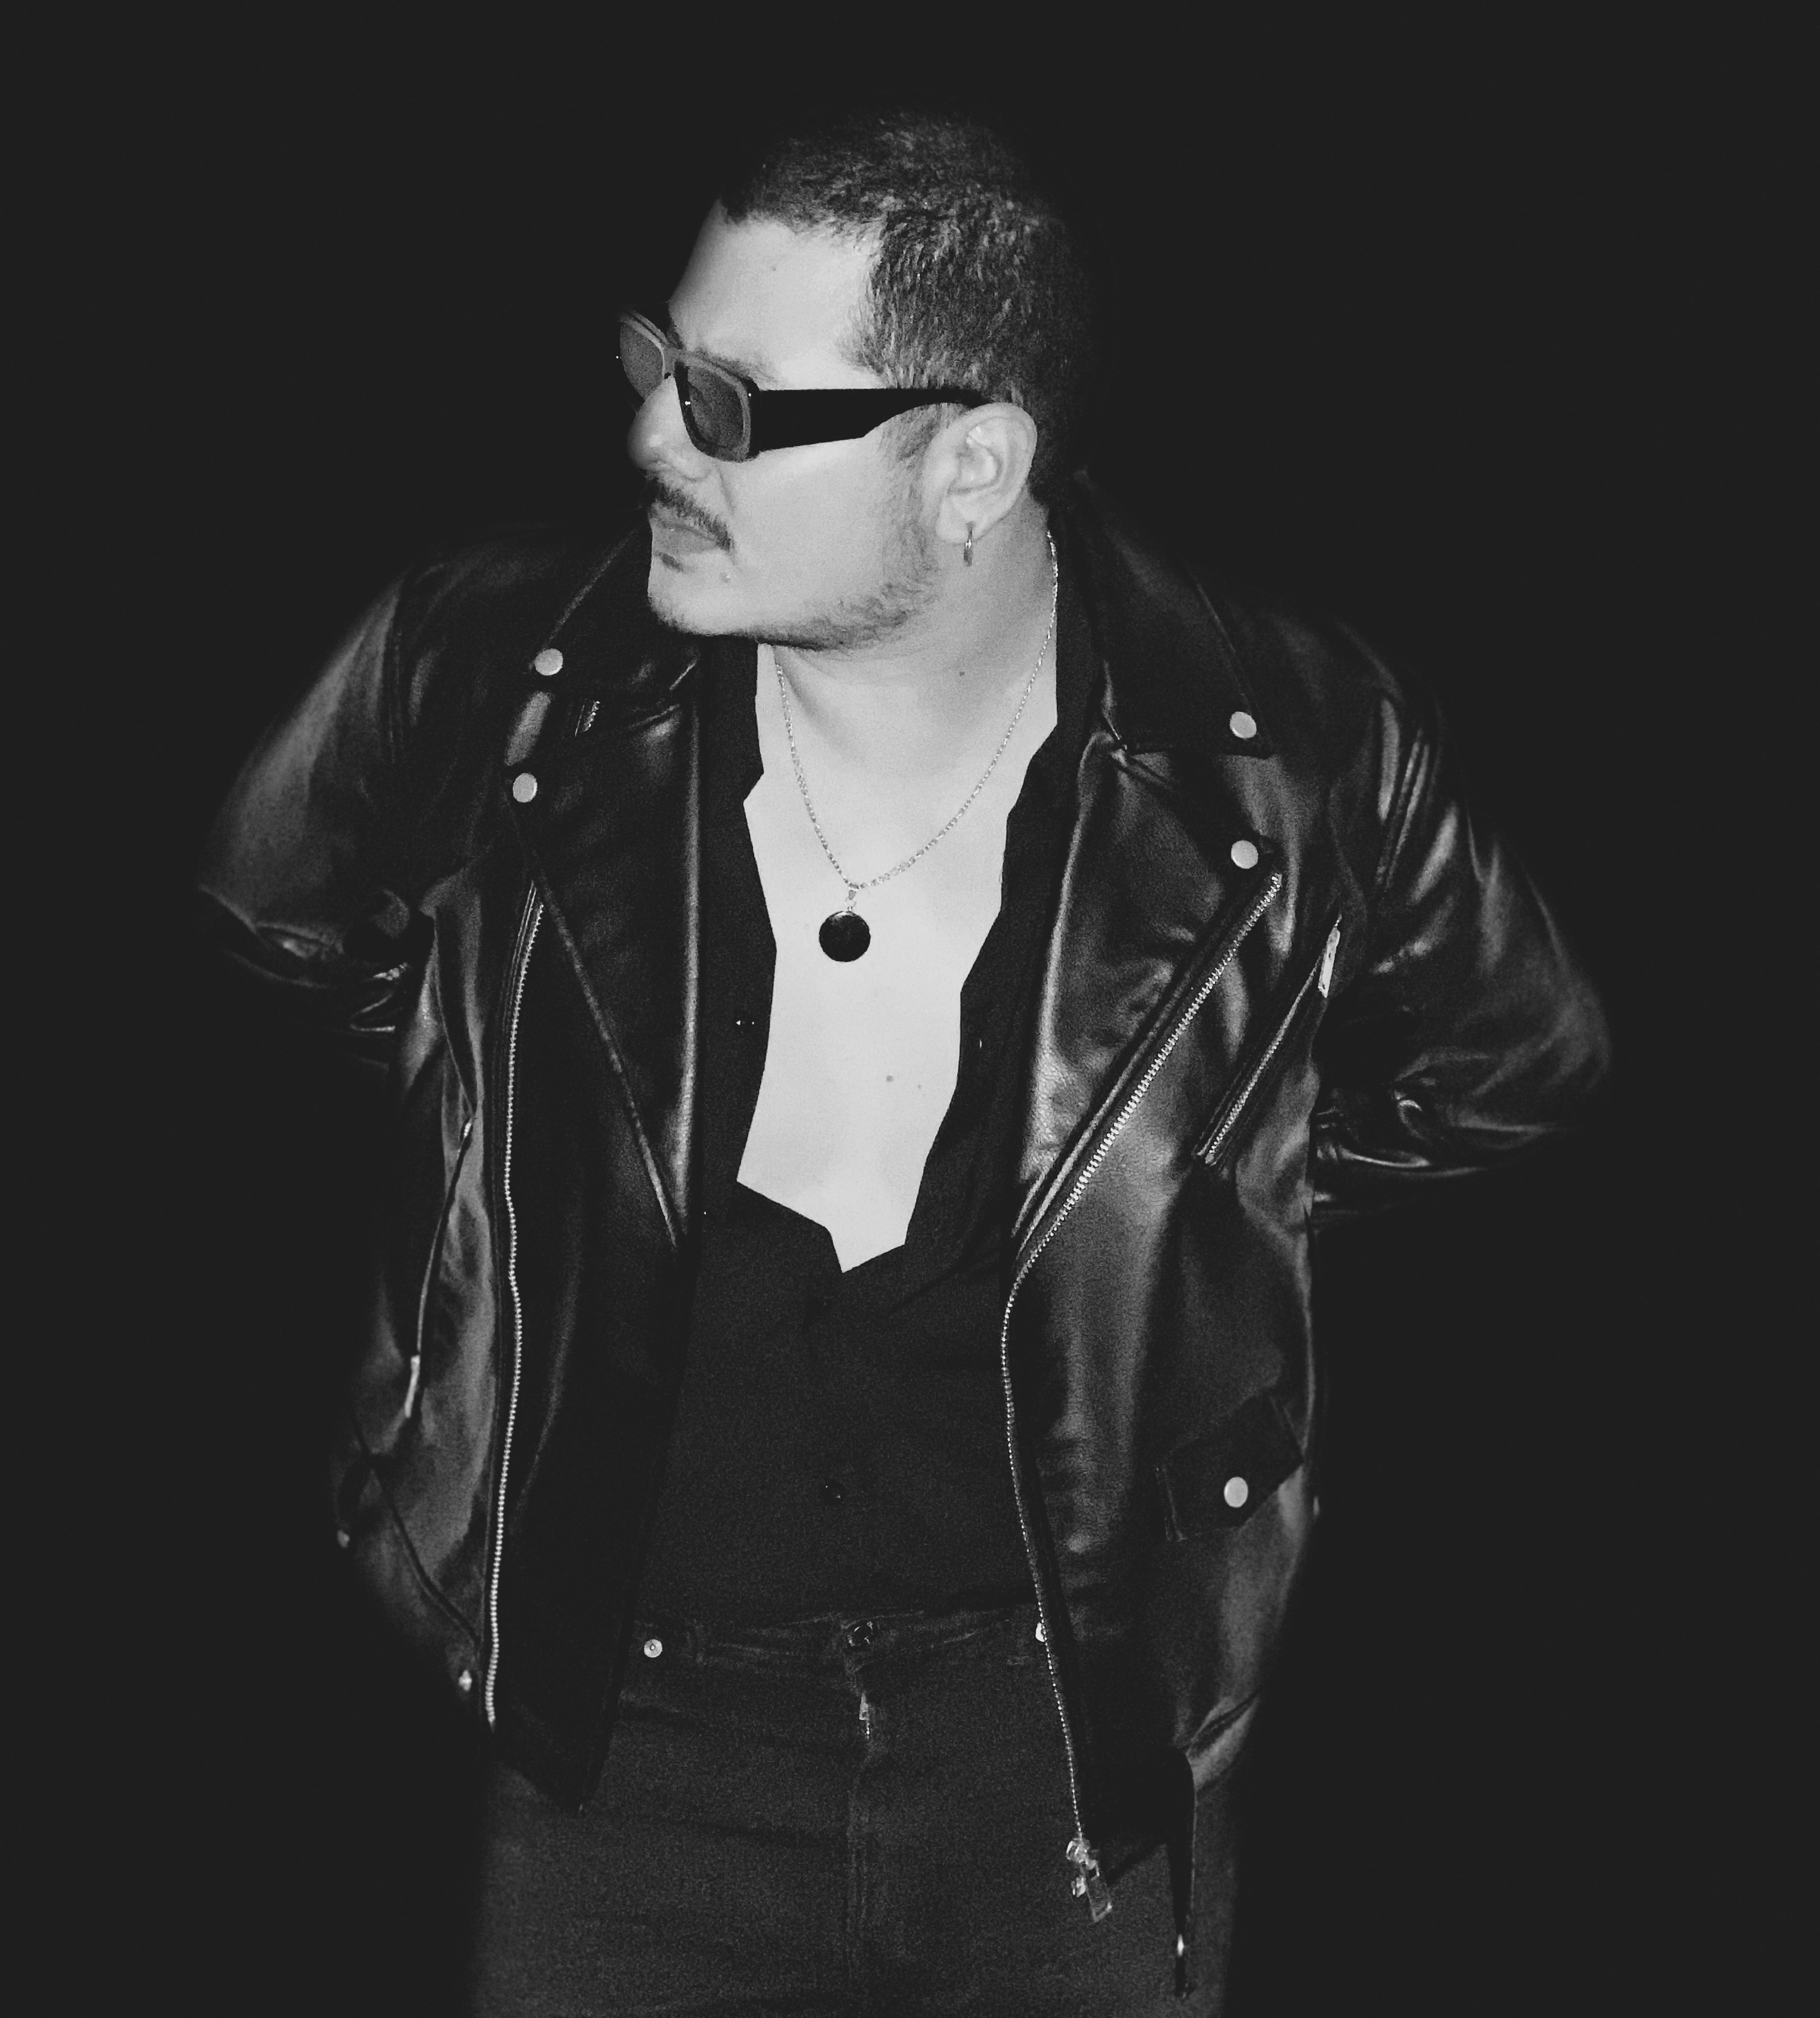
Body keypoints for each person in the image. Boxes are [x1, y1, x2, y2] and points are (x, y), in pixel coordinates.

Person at [198, 112, 1609, 2013]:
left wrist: (1213, 1169)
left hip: (1073, 1749)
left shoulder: (1296, 751)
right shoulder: (480, 669)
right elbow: (286, 919)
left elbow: (1510, 1062)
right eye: (655, 360)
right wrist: (496, 1104)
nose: (652, 436)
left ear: (970, 469)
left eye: (728, 402)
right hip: (609, 1744)